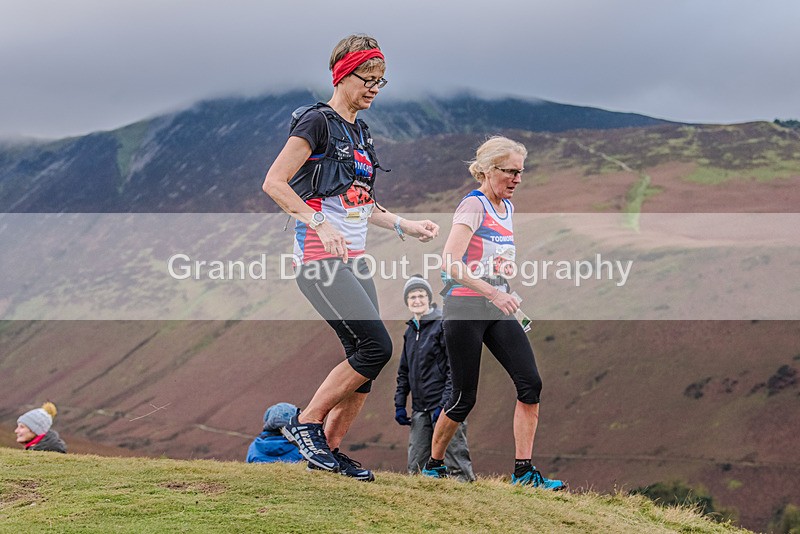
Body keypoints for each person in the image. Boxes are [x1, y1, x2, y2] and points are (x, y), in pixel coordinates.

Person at [262, 34, 439, 482]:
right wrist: (319, 223)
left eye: (382, 81)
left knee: (367, 363)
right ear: (343, 74)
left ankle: (330, 452)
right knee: (377, 347)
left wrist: (406, 225)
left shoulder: (361, 132)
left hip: (355, 261)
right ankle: (306, 423)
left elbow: (361, 203)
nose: (375, 88)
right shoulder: (316, 122)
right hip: (318, 258)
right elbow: (275, 182)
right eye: (368, 78)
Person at [422, 136, 565, 490]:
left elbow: (491, 256)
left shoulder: (508, 208)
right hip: (465, 307)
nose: (518, 179)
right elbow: (449, 262)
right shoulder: (474, 205)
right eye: (511, 172)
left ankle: (523, 472)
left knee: (530, 383)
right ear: (488, 170)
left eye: (521, 172)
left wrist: (502, 274)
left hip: (497, 305)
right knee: (463, 397)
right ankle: (433, 466)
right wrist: (491, 291)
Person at [395, 274, 476, 482]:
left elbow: (453, 369)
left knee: (455, 463)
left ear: (429, 298)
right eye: (412, 297)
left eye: (421, 295)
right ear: (407, 301)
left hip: (445, 408)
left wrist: (444, 405)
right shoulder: (410, 331)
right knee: (416, 467)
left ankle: (466, 496)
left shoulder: (442, 325)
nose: (417, 300)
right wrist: (400, 404)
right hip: (420, 410)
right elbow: (404, 371)